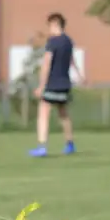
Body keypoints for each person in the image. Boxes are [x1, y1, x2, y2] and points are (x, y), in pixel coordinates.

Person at [29, 13, 84, 157]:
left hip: (52, 84)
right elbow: (72, 61)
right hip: (65, 84)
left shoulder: (53, 42)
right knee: (64, 114)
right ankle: (70, 144)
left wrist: (41, 86)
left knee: (43, 114)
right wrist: (79, 76)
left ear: (55, 23)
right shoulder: (68, 41)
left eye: (50, 25)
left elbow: (46, 64)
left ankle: (42, 147)